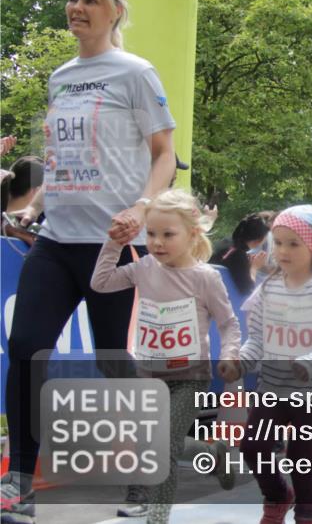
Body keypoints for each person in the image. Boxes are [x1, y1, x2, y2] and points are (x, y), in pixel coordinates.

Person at [1, 0, 177, 524]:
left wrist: (141, 209)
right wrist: (34, 206)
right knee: (27, 348)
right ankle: (19, 484)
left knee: (118, 367)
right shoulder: (59, 77)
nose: (77, 7)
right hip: (54, 243)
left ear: (114, 10)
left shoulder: (136, 73)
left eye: (89, 0)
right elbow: (61, 164)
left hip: (113, 248)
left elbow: (164, 155)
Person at [90, 189, 241, 523]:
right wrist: (114, 243)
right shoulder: (143, 267)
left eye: (168, 234)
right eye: (151, 234)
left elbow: (229, 324)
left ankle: (157, 516)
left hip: (190, 377)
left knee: (165, 446)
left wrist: (230, 355)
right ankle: (213, 453)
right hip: (147, 374)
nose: (157, 242)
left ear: (192, 233)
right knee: (154, 443)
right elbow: (100, 284)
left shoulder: (206, 278)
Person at [226, 205, 312, 524]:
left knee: (300, 458)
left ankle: (308, 514)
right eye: (278, 242)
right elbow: (257, 339)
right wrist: (240, 362)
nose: (283, 250)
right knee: (253, 447)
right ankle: (278, 496)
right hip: (273, 387)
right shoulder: (269, 288)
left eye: (294, 243)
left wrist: (311, 362)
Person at [209, 211, 271, 295]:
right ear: (259, 240)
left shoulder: (226, 242)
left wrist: (246, 263)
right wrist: (254, 267)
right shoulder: (239, 255)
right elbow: (247, 290)